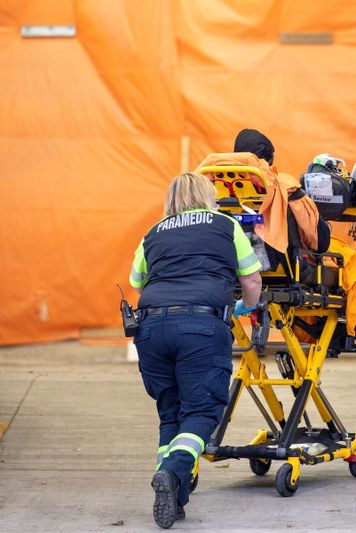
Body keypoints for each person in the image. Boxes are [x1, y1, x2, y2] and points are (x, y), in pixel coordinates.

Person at [129, 172, 262, 528]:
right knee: (202, 411)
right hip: (200, 326)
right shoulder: (225, 225)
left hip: (151, 328)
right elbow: (250, 278)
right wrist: (246, 308)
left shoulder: (153, 232)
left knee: (171, 412)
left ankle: (176, 495)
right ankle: (172, 473)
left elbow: (136, 281)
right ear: (208, 195)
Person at [233, 128, 331, 265]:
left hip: (235, 267)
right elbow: (320, 242)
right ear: (270, 160)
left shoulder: (220, 186)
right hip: (285, 268)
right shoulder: (287, 188)